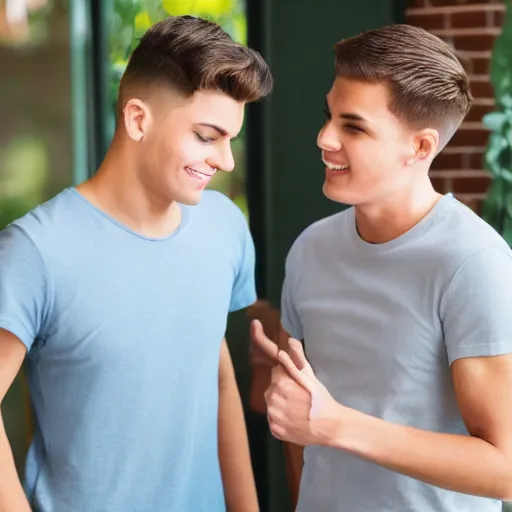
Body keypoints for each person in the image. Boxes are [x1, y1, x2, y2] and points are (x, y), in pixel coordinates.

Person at [0, 15, 272, 512]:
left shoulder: (224, 226)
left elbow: (216, 377)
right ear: (137, 119)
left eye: (230, 139)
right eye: (207, 136)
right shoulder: (36, 250)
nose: (226, 161)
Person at [252, 23, 512, 512]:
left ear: (419, 147)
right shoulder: (310, 250)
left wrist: (338, 425)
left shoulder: (474, 265)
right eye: (328, 116)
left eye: (354, 126)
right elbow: (298, 426)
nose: (324, 137)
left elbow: (506, 469)